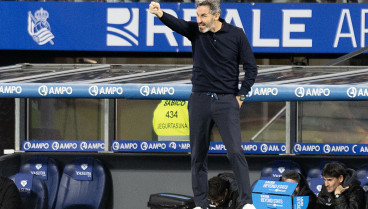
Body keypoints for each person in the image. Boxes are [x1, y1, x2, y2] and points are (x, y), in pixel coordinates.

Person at [149, 0, 258, 208]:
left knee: (235, 152)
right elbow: (177, 24)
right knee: (198, 154)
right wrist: (160, 13)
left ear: (216, 15)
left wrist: (241, 95)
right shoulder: (195, 31)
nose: (199, 20)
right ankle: (200, 203)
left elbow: (251, 68)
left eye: (203, 16)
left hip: (227, 100)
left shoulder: (236, 34)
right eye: (197, 15)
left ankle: (247, 203)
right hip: (199, 99)